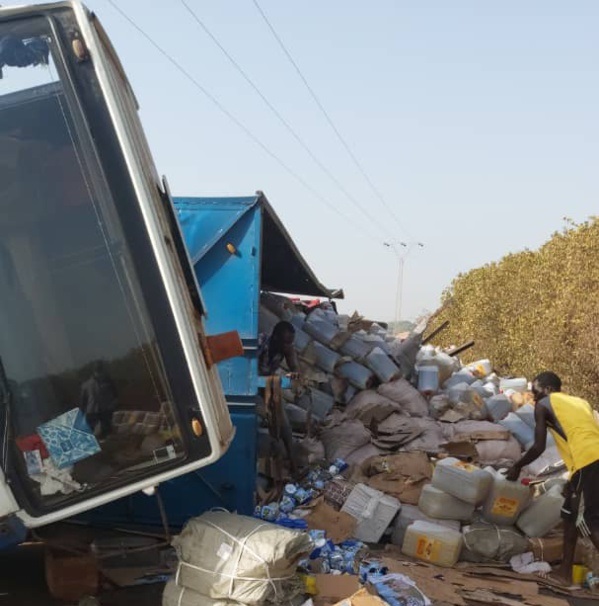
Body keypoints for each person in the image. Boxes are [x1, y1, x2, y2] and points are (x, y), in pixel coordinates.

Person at [506, 371, 599, 585]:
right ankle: (564, 574)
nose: (533, 395)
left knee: (588, 520)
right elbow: (577, 436)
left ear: (547, 389)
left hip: (589, 461)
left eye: (535, 390)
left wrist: (517, 466)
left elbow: (538, 446)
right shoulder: (579, 402)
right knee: (569, 517)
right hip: (587, 463)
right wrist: (572, 479)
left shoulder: (545, 404)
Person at [256, 321, 300, 477]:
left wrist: (294, 375)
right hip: (248, 384)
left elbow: (294, 367)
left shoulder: (287, 349)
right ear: (275, 338)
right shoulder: (260, 342)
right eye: (286, 342)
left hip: (267, 383)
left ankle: (294, 466)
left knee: (284, 425)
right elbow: (245, 368)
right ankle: (263, 466)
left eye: (291, 342)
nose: (288, 346)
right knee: (260, 419)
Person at [80, 361, 118, 439]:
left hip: (105, 411)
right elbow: (83, 401)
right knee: (92, 434)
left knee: (106, 432)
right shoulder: (86, 384)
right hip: (92, 413)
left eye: (100, 369)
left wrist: (112, 404)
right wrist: (83, 412)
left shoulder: (108, 382)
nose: (99, 372)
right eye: (97, 369)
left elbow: (115, 395)